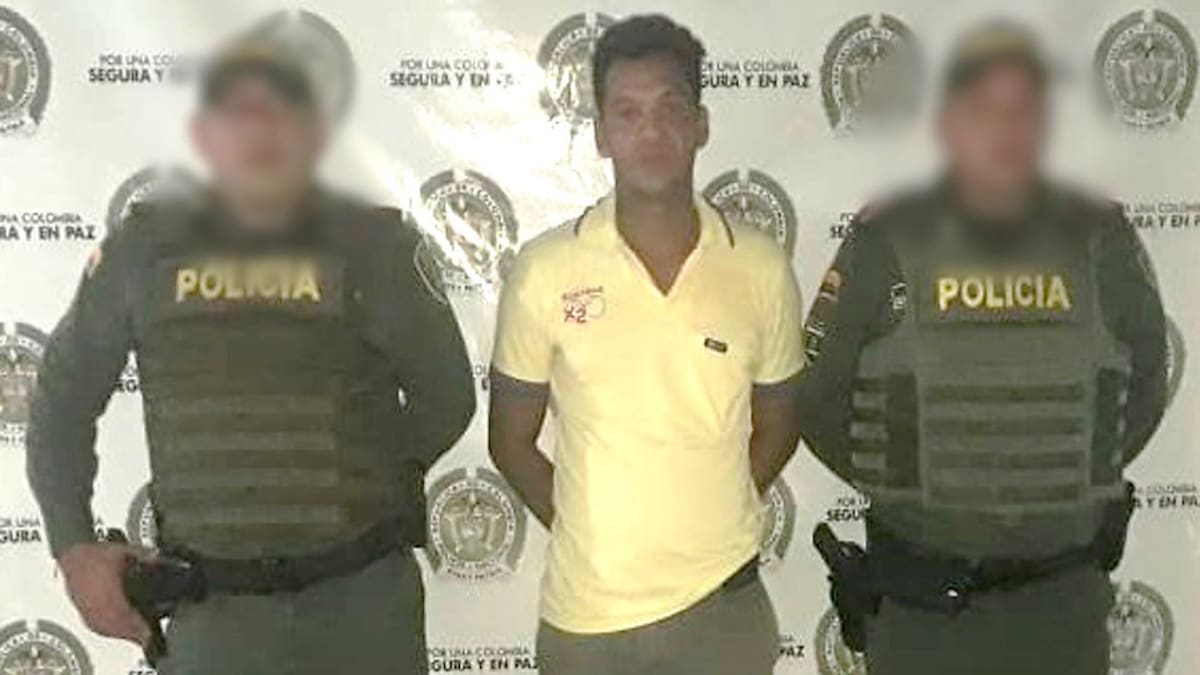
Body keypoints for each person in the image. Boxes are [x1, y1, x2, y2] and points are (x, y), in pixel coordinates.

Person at [25, 36, 475, 675]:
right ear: (205, 135)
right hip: (216, 618)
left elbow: (448, 395)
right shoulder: (144, 250)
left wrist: (360, 477)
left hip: (361, 606)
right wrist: (73, 548)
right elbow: (62, 403)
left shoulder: (377, 247)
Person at [799, 20, 1168, 675]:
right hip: (923, 616)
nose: (1004, 130)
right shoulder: (887, 240)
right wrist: (909, 488)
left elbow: (1144, 389)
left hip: (1063, 611)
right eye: (984, 110)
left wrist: (1062, 490)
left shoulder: (1101, 239)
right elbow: (818, 400)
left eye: (1022, 110)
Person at [488, 14, 805, 675]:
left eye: (670, 109)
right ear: (601, 134)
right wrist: (589, 534)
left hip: (723, 611)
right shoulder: (545, 271)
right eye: (627, 113)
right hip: (588, 625)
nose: (651, 132)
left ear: (701, 124)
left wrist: (715, 508)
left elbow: (780, 423)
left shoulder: (759, 267)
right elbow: (509, 442)